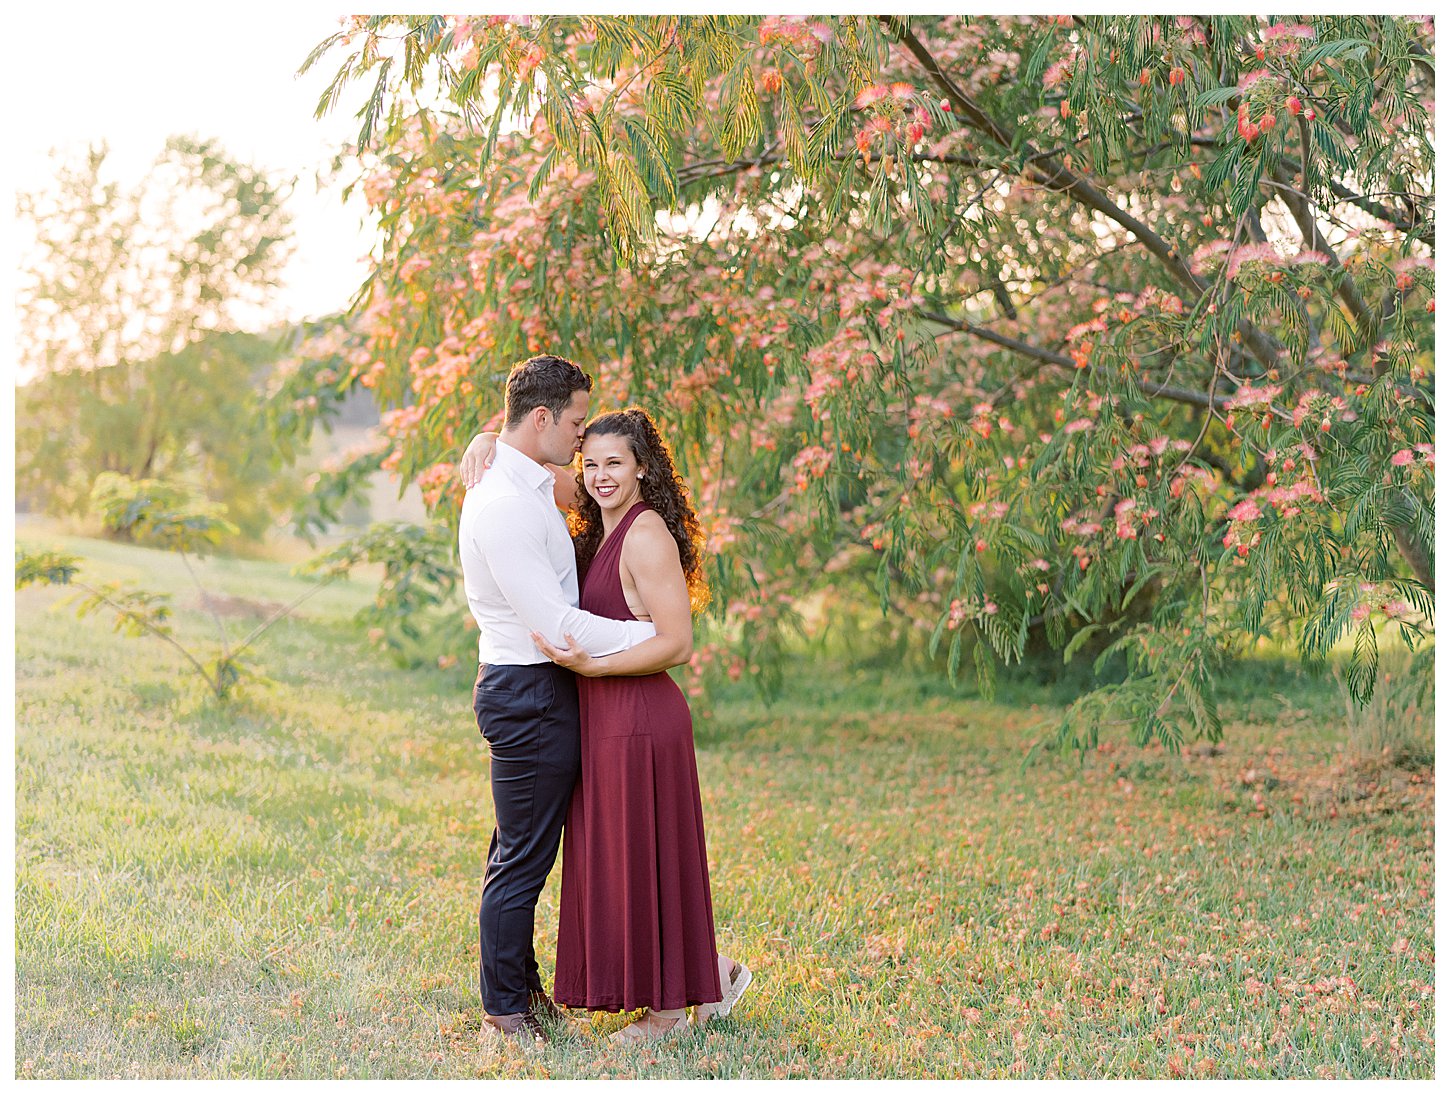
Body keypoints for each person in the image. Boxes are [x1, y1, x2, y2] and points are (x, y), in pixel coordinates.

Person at [459, 408, 752, 1044]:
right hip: (603, 718)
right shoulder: (594, 520)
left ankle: (668, 1016)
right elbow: (526, 461)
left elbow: (677, 644)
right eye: (589, 463)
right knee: (627, 861)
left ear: (644, 466)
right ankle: (712, 976)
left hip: (641, 717)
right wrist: (485, 441)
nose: (597, 475)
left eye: (615, 463)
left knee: (647, 858)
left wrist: (592, 665)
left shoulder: (645, 535)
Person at [458, 355, 660, 1047]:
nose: (581, 440)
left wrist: (489, 437)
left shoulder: (525, 477)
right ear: (542, 418)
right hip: (532, 691)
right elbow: (557, 626)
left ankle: (522, 992)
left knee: (519, 851)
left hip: (539, 689)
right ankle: (505, 1012)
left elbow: (590, 484)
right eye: (575, 422)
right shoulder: (507, 503)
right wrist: (651, 634)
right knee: (521, 860)